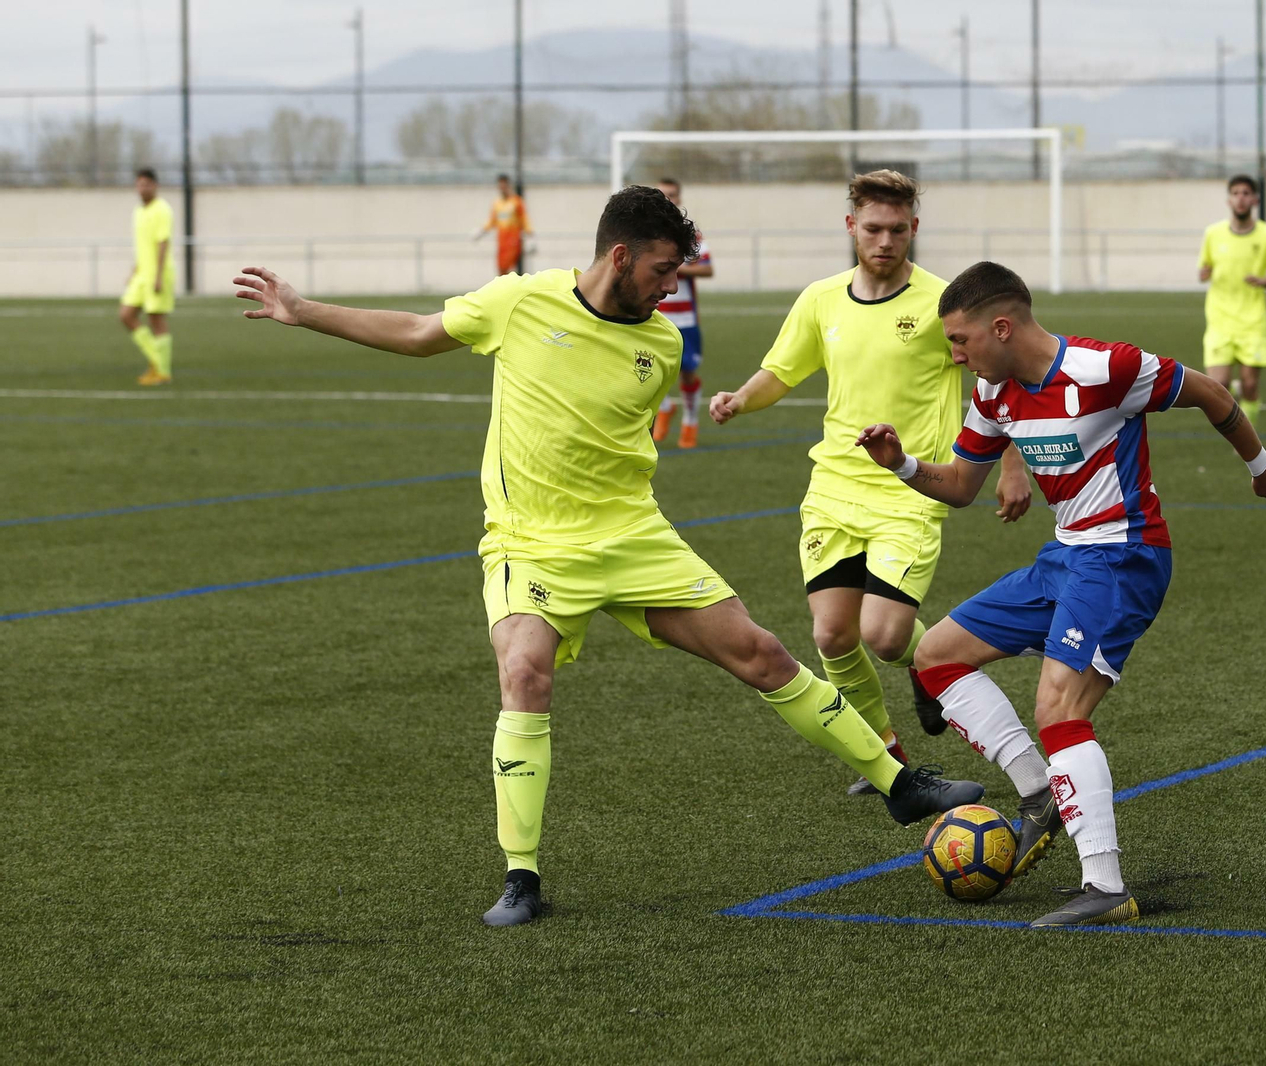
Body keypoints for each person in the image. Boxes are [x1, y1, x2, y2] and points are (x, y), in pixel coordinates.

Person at [233, 186, 982, 927]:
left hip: (632, 538)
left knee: (761, 654)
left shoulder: (657, 344)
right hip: (531, 543)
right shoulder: (519, 302)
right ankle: (521, 875)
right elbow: (419, 331)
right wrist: (305, 313)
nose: (669, 288)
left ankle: (897, 783)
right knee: (524, 672)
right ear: (619, 255)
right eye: (661, 271)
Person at [857, 260, 1266, 926]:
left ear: (1001, 327)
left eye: (960, 340)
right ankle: (1039, 796)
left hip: (1124, 556)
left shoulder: (1105, 370)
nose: (954, 355)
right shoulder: (994, 395)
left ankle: (1106, 887)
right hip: (1063, 556)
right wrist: (902, 466)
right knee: (936, 655)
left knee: (1057, 706)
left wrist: (1260, 468)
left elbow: (1208, 392)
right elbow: (962, 486)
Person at [710, 171, 1034, 805]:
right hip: (833, 487)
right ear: (851, 226)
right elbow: (782, 369)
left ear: (915, 228)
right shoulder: (822, 300)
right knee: (832, 636)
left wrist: (1014, 464)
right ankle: (883, 753)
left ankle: (926, 661)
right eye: (873, 228)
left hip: (909, 490)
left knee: (886, 636)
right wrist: (740, 399)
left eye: (898, 229)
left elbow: (1001, 379)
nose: (885, 240)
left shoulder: (945, 306)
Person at [1198, 174, 1266, 427]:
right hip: (1220, 321)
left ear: (1255, 199)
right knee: (1218, 387)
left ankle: (1248, 436)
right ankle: (1238, 432)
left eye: (1246, 193)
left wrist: (1264, 281)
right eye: (1236, 193)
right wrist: (1204, 274)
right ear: (1229, 200)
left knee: (1250, 387)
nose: (1241, 198)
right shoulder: (1213, 234)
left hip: (1252, 321)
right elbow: (1203, 270)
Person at [651, 177, 713, 449]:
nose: (669, 200)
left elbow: (707, 268)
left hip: (685, 317)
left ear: (679, 198)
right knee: (652, 369)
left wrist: (674, 267)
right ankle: (664, 409)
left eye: (673, 195)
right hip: (654, 313)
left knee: (687, 371)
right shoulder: (647, 233)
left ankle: (690, 421)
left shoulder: (690, 234)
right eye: (663, 195)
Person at [119, 168, 175, 386]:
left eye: (146, 184)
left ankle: (162, 371)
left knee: (156, 320)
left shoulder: (162, 210)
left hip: (157, 275)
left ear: (155, 185)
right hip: (141, 275)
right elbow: (143, 246)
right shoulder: (138, 211)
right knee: (126, 315)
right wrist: (134, 271)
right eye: (139, 184)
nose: (142, 188)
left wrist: (159, 276)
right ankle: (157, 360)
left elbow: (163, 243)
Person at [475, 174, 534, 276]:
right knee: (501, 268)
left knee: (510, 267)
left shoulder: (516, 201)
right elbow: (492, 221)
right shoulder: (497, 203)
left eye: (504, 186)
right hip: (502, 239)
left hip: (513, 239)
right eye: (500, 186)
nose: (502, 189)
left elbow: (524, 219)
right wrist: (481, 231)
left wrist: (530, 236)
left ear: (508, 186)